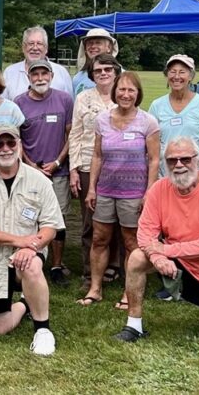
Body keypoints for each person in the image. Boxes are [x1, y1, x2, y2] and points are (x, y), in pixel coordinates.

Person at [115, 136, 199, 342]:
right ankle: (134, 326)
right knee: (137, 257)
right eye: (171, 160)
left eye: (185, 159)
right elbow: (145, 231)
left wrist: (165, 251)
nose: (178, 165)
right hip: (177, 262)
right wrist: (157, 257)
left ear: (198, 158)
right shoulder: (158, 189)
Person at [0, 124, 64, 356]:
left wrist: (33, 247)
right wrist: (20, 241)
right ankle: (27, 303)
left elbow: (50, 227)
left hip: (28, 252)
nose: (5, 149)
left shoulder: (40, 181)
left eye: (11, 143)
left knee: (32, 264)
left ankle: (43, 331)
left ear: (19, 144)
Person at [79, 71, 161, 308]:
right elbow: (96, 155)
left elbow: (154, 160)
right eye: (121, 90)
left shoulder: (148, 122)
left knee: (131, 243)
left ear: (138, 94)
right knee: (99, 239)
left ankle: (129, 291)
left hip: (134, 193)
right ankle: (95, 288)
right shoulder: (102, 120)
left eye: (131, 90)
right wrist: (92, 188)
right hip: (105, 190)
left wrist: (149, 192)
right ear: (115, 92)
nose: (125, 94)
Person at [13, 59, 74, 286]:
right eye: (35, 74)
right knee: (28, 218)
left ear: (51, 75)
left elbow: (70, 135)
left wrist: (58, 161)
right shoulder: (19, 102)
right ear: (29, 77)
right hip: (29, 171)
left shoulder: (64, 100)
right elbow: (17, 138)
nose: (40, 78)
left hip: (57, 171)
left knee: (57, 221)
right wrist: (30, 165)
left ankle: (56, 266)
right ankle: (28, 260)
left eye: (44, 73)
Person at [68, 54, 122, 287]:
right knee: (90, 220)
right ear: (91, 74)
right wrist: (73, 169)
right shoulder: (83, 98)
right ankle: (90, 271)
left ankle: (114, 265)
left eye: (108, 69)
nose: (103, 73)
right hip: (88, 163)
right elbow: (76, 134)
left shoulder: (124, 96)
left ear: (115, 71)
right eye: (98, 70)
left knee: (118, 218)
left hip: (119, 166)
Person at [149, 54, 199, 176]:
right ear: (167, 75)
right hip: (166, 174)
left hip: (196, 174)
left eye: (182, 72)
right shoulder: (156, 105)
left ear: (191, 76)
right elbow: (152, 146)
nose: (177, 76)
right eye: (172, 72)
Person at [3, 26, 74, 101]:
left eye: (39, 44)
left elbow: (70, 105)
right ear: (23, 48)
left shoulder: (61, 72)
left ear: (46, 48)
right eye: (31, 43)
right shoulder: (10, 73)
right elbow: (3, 106)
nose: (35, 48)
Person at [71, 28, 119, 97]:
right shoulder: (78, 78)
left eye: (98, 43)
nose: (93, 46)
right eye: (90, 43)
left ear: (109, 47)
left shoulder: (121, 75)